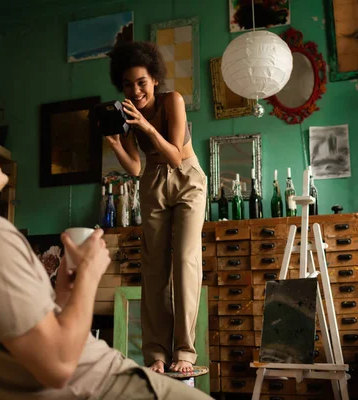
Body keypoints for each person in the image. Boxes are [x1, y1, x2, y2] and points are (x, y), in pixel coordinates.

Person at [0, 113, 212, 400]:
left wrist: (65, 293)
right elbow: (57, 365)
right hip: (98, 385)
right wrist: (89, 276)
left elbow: (11, 341)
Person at [105, 42, 207, 374]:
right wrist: (118, 144)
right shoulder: (127, 113)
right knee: (154, 269)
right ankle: (157, 354)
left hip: (187, 179)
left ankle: (184, 352)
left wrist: (146, 126)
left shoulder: (171, 101)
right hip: (151, 183)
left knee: (185, 261)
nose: (135, 91)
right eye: (128, 85)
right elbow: (135, 168)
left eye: (141, 83)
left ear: (155, 80)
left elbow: (175, 156)